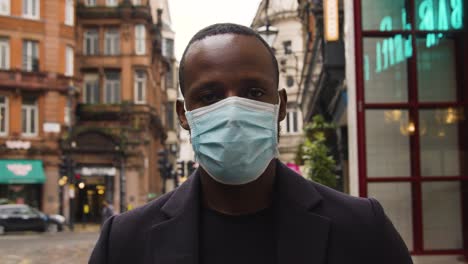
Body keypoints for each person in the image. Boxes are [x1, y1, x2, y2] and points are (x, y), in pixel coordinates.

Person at [89, 23, 413, 264]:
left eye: (254, 93)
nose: (232, 112)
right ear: (183, 114)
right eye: (210, 96)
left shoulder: (362, 229)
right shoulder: (123, 242)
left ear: (281, 106)